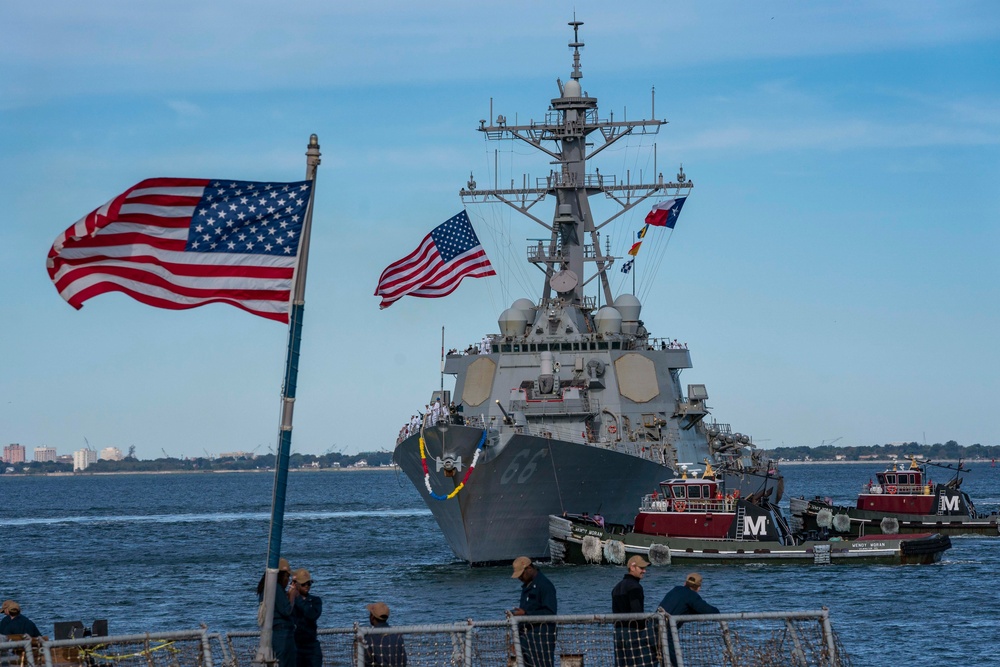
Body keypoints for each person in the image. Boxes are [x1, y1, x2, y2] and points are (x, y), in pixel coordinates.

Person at [658, 573, 719, 666]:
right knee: (674, 663)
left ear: (684, 583)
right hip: (665, 632)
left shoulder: (676, 589)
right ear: (698, 588)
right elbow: (711, 611)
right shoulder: (692, 596)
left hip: (651, 628)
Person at [510, 557, 557, 667]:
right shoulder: (527, 586)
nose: (520, 578)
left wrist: (526, 615)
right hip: (526, 640)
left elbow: (550, 613)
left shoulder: (545, 585)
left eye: (521, 574)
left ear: (529, 568)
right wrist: (516, 641)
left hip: (542, 639)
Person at [611, 556, 656, 667]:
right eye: (641, 568)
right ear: (632, 567)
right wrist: (646, 626)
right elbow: (637, 612)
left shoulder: (617, 587)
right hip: (633, 632)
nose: (644, 571)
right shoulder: (635, 587)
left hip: (618, 632)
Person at [257, 558, 296, 667]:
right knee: (285, 662)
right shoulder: (276, 588)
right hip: (282, 633)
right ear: (280, 576)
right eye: (287, 577)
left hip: (273, 632)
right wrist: (292, 597)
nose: (287, 580)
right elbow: (286, 610)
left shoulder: (265, 589)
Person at [290, 569, 322, 667]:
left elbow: (312, 615)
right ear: (296, 584)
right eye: (303, 584)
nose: (307, 586)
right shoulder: (290, 601)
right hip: (296, 645)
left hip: (311, 644)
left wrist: (298, 598)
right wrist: (291, 595)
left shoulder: (315, 600)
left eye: (308, 583)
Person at [364, 602, 407, 667]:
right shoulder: (398, 637)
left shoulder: (369, 638)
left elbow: (366, 662)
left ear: (372, 617)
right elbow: (403, 661)